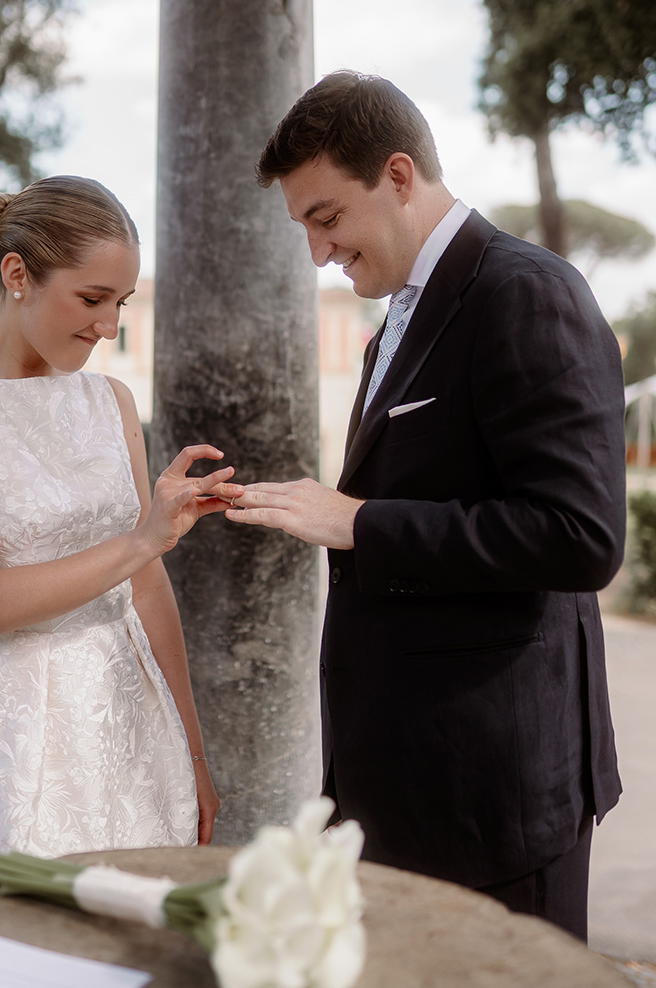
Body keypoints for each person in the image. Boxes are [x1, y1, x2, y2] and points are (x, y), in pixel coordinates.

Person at [225, 71, 626, 940]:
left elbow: (581, 536)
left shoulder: (528, 292)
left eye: (326, 218)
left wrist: (357, 522)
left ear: (399, 177)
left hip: (498, 792)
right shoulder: (394, 322)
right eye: (304, 227)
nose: (317, 252)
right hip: (409, 786)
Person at [0, 175, 242, 898]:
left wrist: (192, 753)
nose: (110, 326)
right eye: (92, 299)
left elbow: (151, 585)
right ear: (17, 276)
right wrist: (141, 540)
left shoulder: (111, 400)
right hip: (1, 735)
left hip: (130, 725)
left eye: (121, 304)